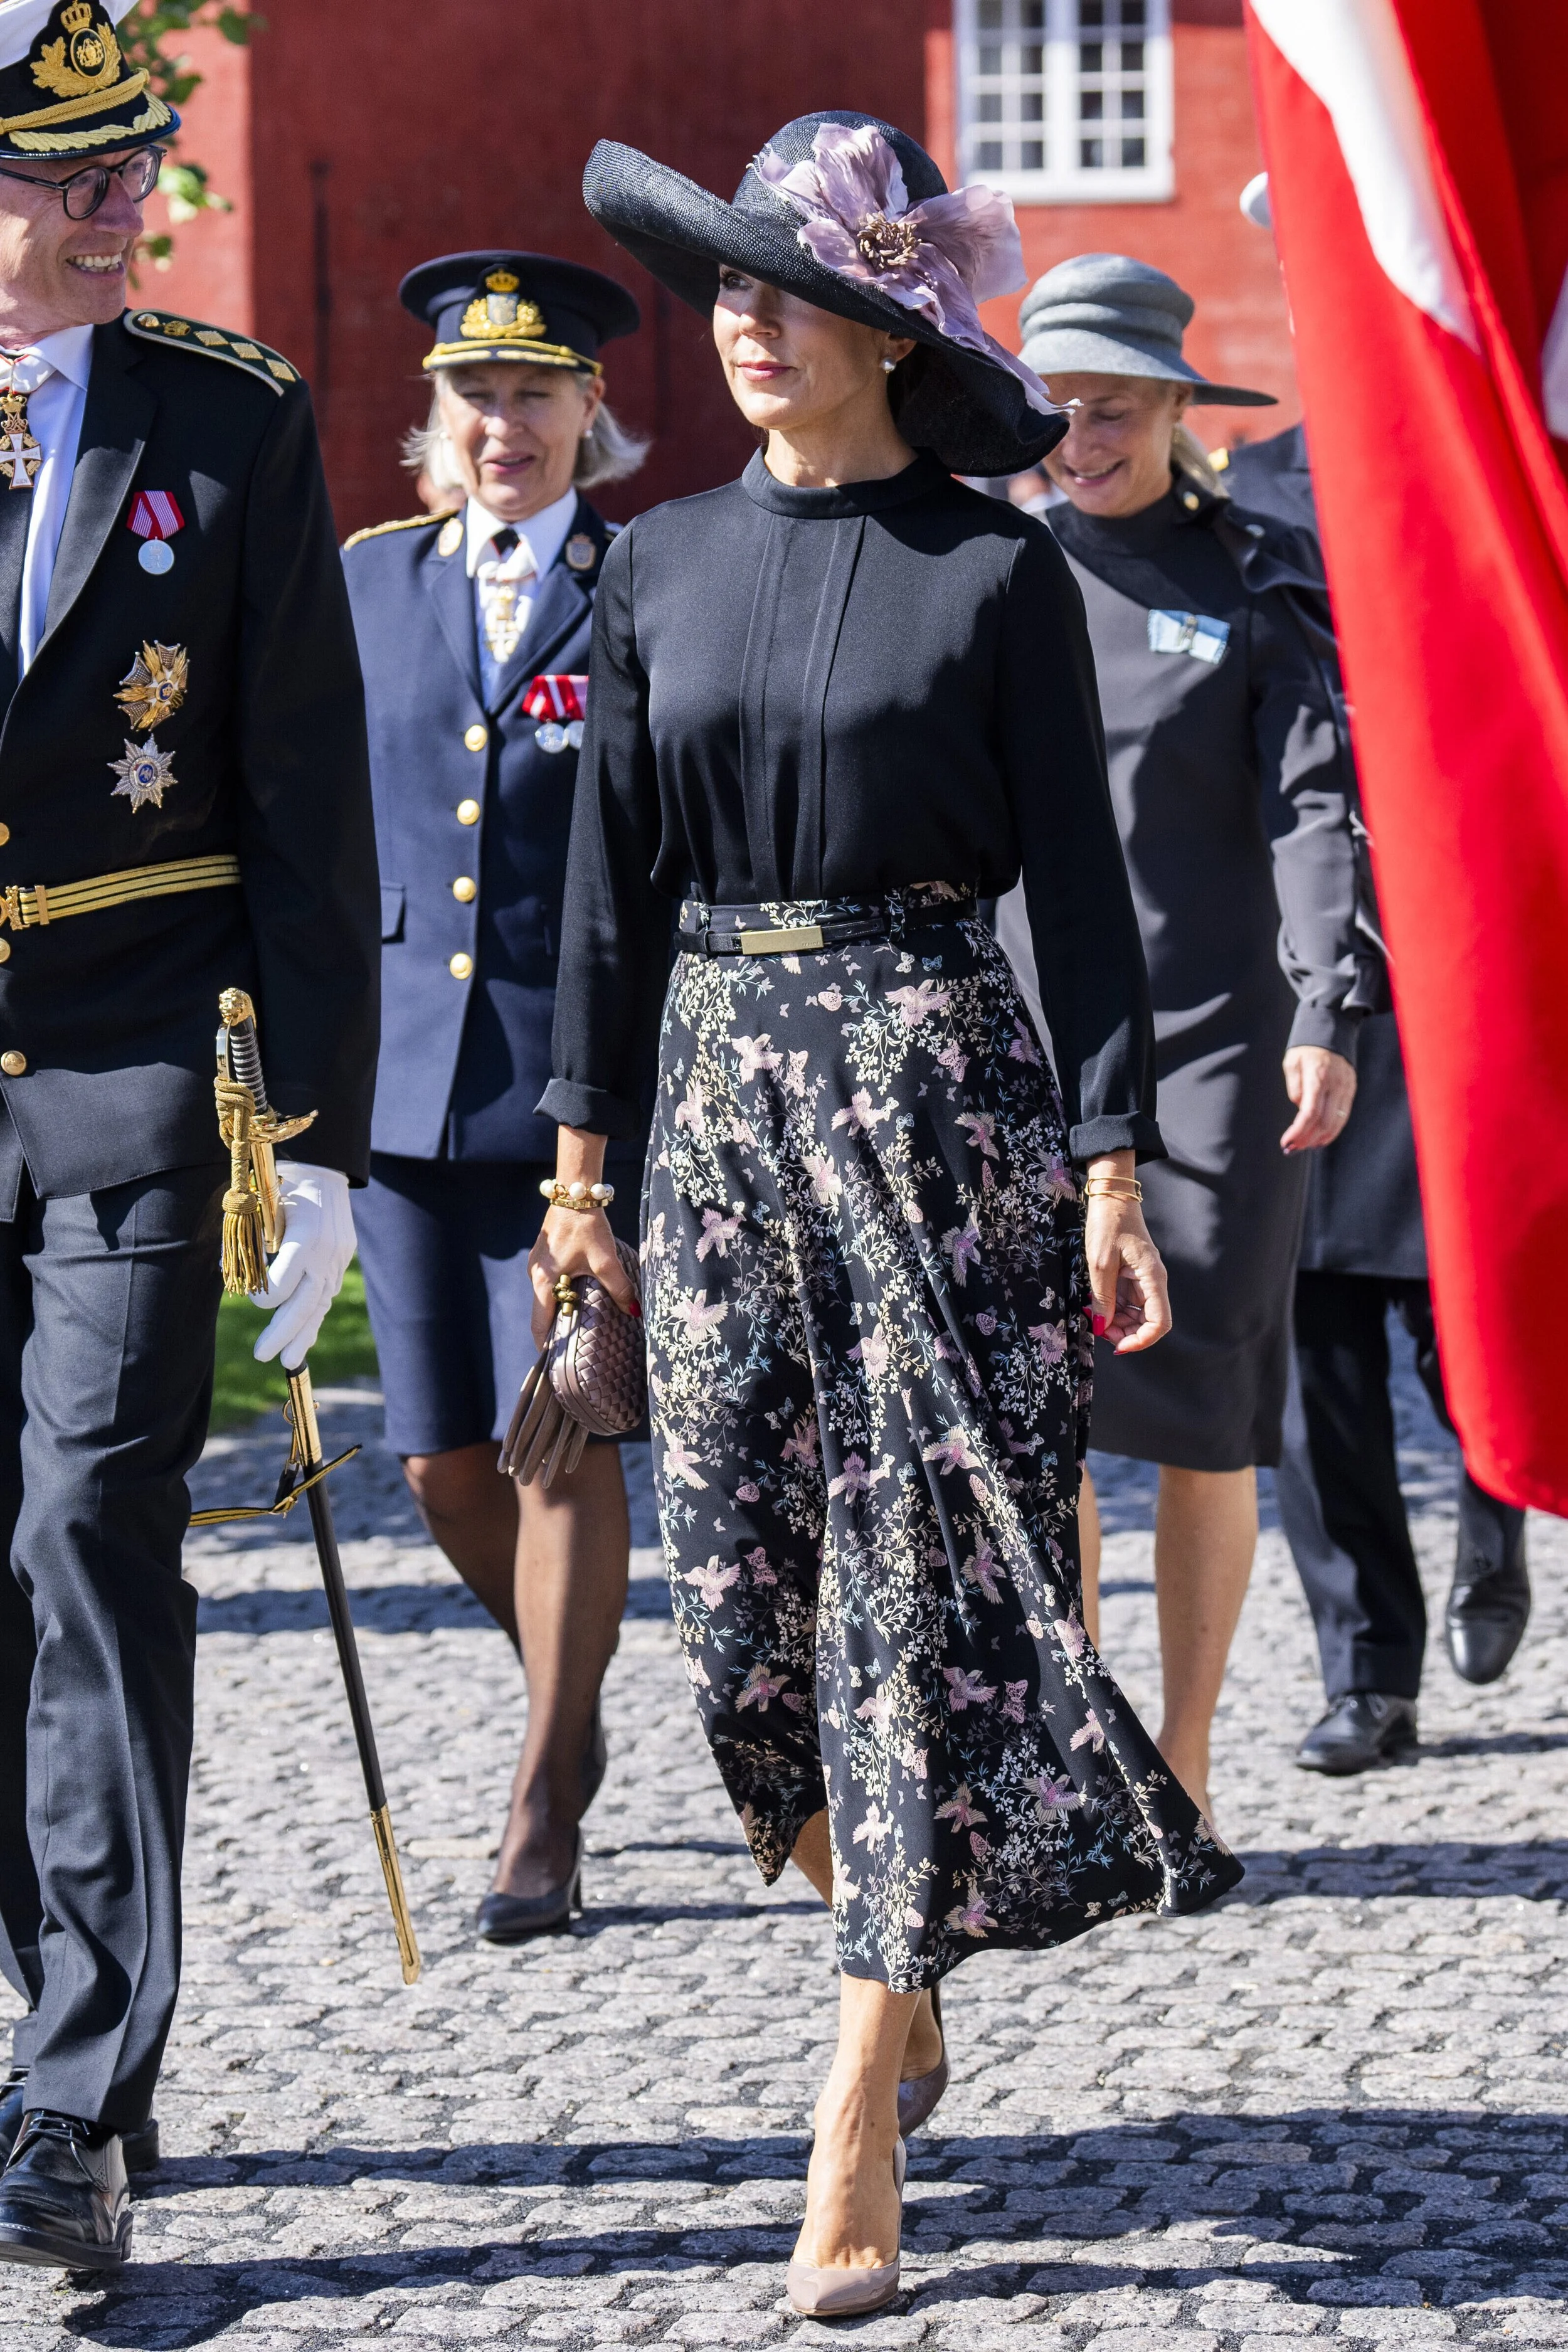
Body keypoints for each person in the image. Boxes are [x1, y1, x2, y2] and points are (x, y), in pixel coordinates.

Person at [534, 111, 1242, 2318]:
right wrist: (580, 1171)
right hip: (727, 1115)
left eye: (795, 291)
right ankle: (898, 1928)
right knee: (745, 1633)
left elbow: (1091, 907)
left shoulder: (999, 568)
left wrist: (1114, 1160)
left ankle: (856, 2103)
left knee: (913, 1608)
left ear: (886, 331)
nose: (747, 321)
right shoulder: (647, 564)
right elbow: (602, 905)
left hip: (947, 1102)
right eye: (728, 285)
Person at [0, 0, 376, 2273]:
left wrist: (313, 1135)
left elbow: (306, 792)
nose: (123, 196)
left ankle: (76, 2087)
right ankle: (50, 2005)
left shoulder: (224, 428)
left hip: (135, 1082)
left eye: (135, 159)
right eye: (66, 171)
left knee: (87, 1538)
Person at [997, 255, 1367, 1823]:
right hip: (1021, 1041)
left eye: (1109, 407)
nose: (1078, 435)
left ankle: (1191, 1753)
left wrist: (1322, 1000)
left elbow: (1310, 807)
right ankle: (1090, 1748)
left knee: (1198, 1399)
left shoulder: (1250, 576)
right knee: (1052, 1406)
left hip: (1218, 1051)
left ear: (1170, 408)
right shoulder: (990, 568)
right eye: (1054, 409)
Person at [342, 253, 649, 1941]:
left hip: (567, 1093)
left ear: (589, 410)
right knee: (440, 1464)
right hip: (395, 1085)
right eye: (478, 394)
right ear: (437, 417)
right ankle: (574, 1679)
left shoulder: (639, 583)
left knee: (555, 1441)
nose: (504, 424)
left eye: (538, 392)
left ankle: (542, 1803)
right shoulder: (368, 585)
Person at [1220, 179, 1529, 1771]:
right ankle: (1367, 1672)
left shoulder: (1505, 471)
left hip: (1473, 966)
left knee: (1468, 1296)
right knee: (1314, 1333)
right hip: (1308, 978)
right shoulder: (1245, 499)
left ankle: (1494, 1509)